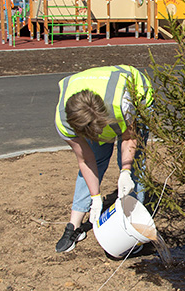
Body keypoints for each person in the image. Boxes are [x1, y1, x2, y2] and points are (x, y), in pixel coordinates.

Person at [54, 65, 153, 253]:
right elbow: (86, 161)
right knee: (97, 157)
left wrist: (125, 172)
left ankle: (133, 226)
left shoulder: (122, 104)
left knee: (134, 166)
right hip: (103, 109)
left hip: (137, 97)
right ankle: (74, 226)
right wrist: (95, 197)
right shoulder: (63, 121)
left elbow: (129, 138)